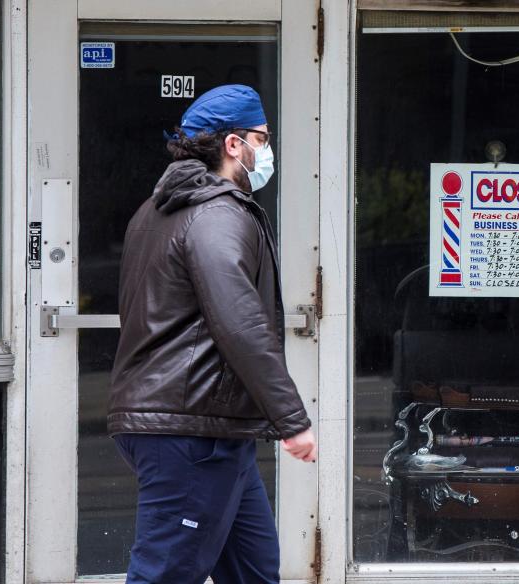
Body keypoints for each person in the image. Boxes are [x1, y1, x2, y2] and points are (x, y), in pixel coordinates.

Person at [108, 84, 317, 584]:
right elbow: (240, 322)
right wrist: (290, 419)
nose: (266, 151)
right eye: (261, 139)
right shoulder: (218, 214)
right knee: (166, 572)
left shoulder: (155, 210)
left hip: (210, 427)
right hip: (192, 428)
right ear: (232, 144)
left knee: (253, 571)